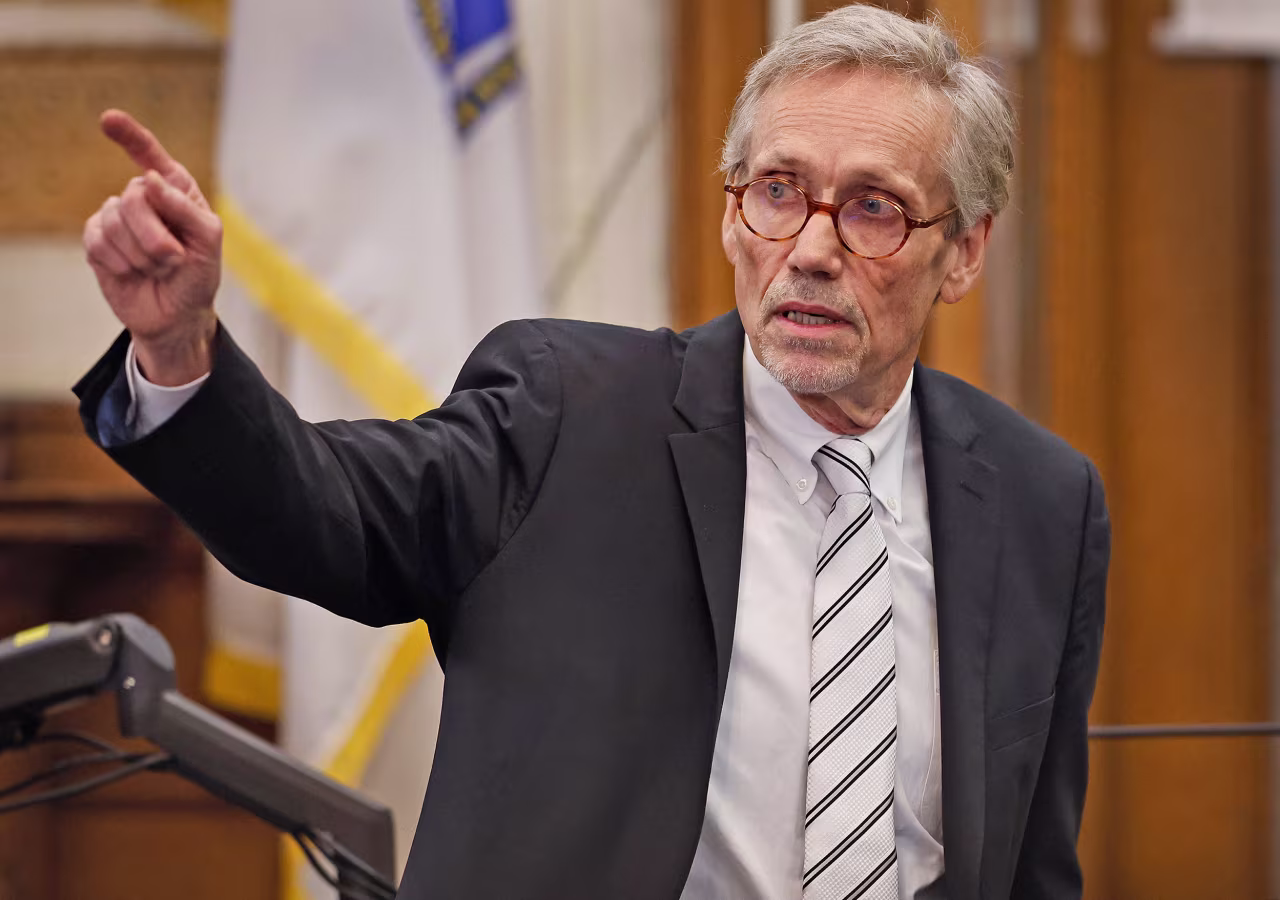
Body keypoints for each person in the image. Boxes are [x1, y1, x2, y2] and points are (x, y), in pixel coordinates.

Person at [74, 5, 1108, 899]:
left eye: (873, 207)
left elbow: (1028, 862)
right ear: (730, 212)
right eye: (779, 191)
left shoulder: (1038, 503)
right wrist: (180, 349)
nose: (811, 247)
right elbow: (321, 513)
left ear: (962, 250)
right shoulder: (567, 413)